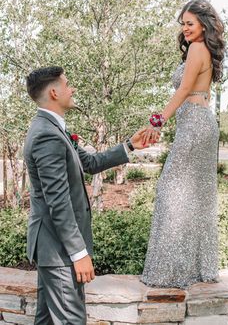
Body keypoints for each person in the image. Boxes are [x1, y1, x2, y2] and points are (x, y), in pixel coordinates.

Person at [24, 66, 159, 324]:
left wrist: (130, 145)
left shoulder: (54, 129)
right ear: (54, 92)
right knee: (71, 320)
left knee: (46, 320)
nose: (72, 88)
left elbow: (91, 162)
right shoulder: (47, 136)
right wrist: (79, 253)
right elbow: (58, 203)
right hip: (59, 249)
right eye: (67, 83)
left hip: (52, 247)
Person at [141, 0, 225, 288]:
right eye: (183, 24)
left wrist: (157, 122)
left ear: (204, 24)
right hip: (198, 123)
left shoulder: (198, 49)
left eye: (190, 23)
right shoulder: (201, 49)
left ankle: (171, 271)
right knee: (195, 196)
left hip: (195, 125)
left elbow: (186, 89)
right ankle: (195, 268)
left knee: (169, 189)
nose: (185, 28)